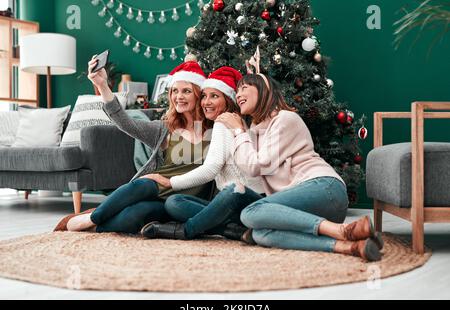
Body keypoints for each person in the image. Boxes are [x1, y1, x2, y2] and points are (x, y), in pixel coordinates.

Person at [216, 73, 383, 261]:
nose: (238, 94)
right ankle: (348, 245)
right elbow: (249, 171)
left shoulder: (285, 119)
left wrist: (238, 131)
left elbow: (255, 166)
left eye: (244, 88)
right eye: (237, 90)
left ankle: (341, 230)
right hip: (306, 209)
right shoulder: (255, 132)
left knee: (250, 213)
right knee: (260, 234)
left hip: (324, 187)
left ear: (265, 91)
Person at [55, 59, 214, 234]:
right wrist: (102, 85)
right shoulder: (164, 128)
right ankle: (91, 219)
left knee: (135, 216)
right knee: (141, 187)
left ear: (198, 95)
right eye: (175, 91)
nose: (179, 96)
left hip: (182, 202)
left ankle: (96, 226)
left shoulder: (216, 131)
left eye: (186, 91)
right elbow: (126, 123)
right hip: (157, 192)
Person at [139, 66, 264, 241]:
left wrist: (170, 182)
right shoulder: (234, 120)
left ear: (228, 99)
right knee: (175, 202)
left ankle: (184, 231)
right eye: (204, 96)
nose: (206, 102)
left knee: (175, 203)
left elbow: (210, 169)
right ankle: (232, 230)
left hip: (242, 200)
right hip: (235, 202)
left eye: (214, 96)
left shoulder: (223, 122)